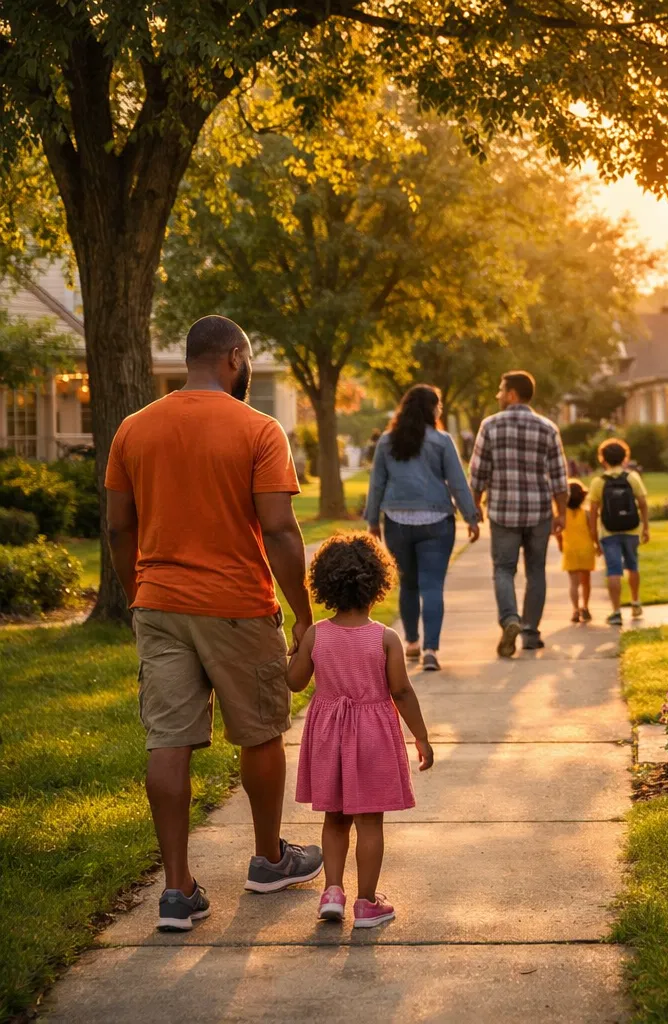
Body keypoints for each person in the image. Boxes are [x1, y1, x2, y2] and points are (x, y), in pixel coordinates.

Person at [104, 314, 322, 933]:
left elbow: (119, 527)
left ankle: (176, 890)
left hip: (160, 604)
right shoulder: (258, 428)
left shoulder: (133, 428)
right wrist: (303, 613)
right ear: (233, 357)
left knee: (167, 740)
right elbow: (279, 528)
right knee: (258, 733)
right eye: (246, 362)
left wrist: (137, 595)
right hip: (237, 605)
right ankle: (270, 857)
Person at [287, 533, 434, 929]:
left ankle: (332, 892)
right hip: (372, 738)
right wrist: (420, 736)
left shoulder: (317, 634)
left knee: (335, 819)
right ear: (376, 585)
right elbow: (401, 691)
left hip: (328, 738)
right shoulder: (385, 638)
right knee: (370, 822)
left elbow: (295, 682)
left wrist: (295, 649)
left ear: (325, 586)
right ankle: (367, 904)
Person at [364, 384, 481, 672]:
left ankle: (412, 642)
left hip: (397, 521)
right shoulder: (441, 440)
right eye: (438, 405)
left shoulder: (387, 441)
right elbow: (457, 482)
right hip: (437, 521)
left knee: (408, 584)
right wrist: (472, 517)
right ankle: (430, 650)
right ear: (432, 409)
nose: (440, 409)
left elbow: (377, 482)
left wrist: (372, 520)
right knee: (432, 586)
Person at [469, 371, 568, 658]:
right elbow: (560, 478)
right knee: (536, 571)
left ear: (512, 394)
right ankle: (531, 633)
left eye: (501, 390)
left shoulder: (490, 426)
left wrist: (475, 507)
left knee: (503, 569)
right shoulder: (547, 428)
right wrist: (560, 513)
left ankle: (510, 620)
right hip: (538, 512)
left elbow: (478, 474)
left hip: (503, 512)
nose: (498, 395)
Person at [589, 438, 650, 626]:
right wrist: (645, 527)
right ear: (625, 457)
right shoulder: (632, 477)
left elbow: (593, 513)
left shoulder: (599, 482)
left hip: (609, 532)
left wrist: (594, 538)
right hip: (631, 529)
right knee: (633, 565)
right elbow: (643, 503)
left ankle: (616, 612)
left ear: (602, 459)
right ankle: (636, 601)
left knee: (614, 571)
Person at [560, 478, 596, 623]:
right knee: (586, 582)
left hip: (570, 550)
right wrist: (598, 546)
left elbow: (558, 532)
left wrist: (560, 544)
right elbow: (593, 532)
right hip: (586, 549)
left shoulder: (563, 514)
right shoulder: (586, 514)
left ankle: (575, 610)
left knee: (573, 584)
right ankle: (585, 607)